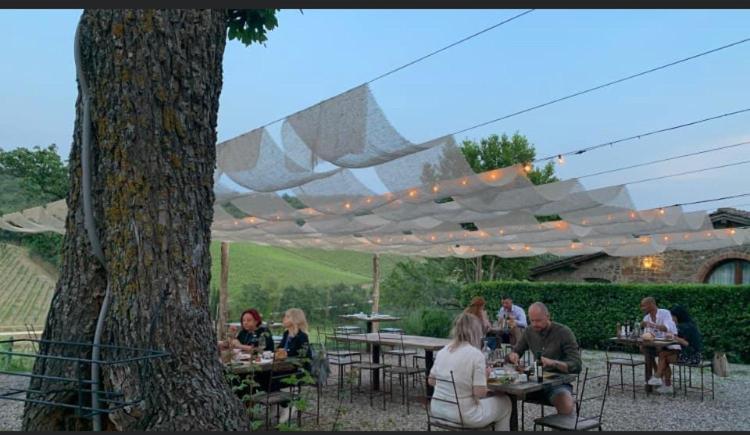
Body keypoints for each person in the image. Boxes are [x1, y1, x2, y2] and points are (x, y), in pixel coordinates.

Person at [428, 312, 512, 430]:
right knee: (505, 402)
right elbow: (480, 393)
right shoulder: (475, 355)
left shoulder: (443, 351)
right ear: (476, 331)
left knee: (489, 403)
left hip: (437, 410)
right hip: (462, 415)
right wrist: (484, 377)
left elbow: (431, 381)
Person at [507, 302, 581, 423]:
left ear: (548, 316)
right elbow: (516, 350)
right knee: (504, 395)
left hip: (557, 383)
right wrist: (513, 355)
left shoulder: (563, 332)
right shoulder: (529, 331)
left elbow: (577, 365)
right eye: (532, 320)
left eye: (539, 320)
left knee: (566, 404)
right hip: (533, 382)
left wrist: (553, 363)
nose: (535, 324)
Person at [652, 305, 703, 394]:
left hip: (692, 356)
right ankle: (660, 379)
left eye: (671, 317)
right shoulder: (689, 324)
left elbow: (686, 343)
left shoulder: (684, 327)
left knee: (663, 357)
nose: (671, 319)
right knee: (663, 354)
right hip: (691, 353)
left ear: (677, 316)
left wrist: (674, 337)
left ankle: (662, 380)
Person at [639, 297, 680, 393]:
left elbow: (666, 328)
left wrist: (651, 325)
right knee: (644, 349)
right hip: (657, 345)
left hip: (670, 345)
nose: (642, 308)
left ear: (652, 304)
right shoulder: (646, 317)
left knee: (661, 353)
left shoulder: (665, 313)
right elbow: (648, 334)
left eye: (644, 306)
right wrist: (646, 333)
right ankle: (657, 376)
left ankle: (661, 379)